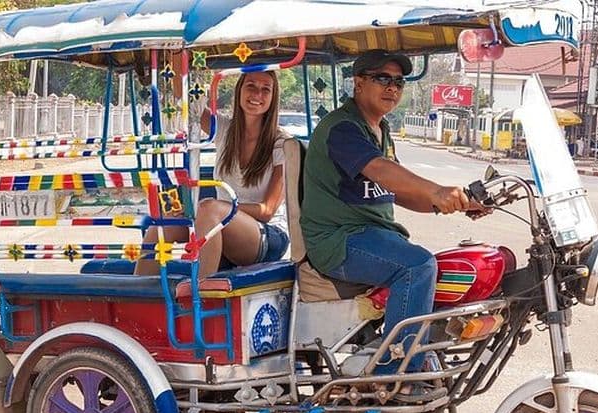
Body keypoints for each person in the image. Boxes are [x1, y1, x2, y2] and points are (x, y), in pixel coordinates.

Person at [300, 49, 476, 378]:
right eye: (382, 78)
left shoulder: (380, 131)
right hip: (339, 240)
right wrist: (437, 190)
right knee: (417, 265)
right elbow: (379, 170)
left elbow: (397, 190)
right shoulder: (343, 128)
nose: (392, 87)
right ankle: (396, 370)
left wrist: (451, 203)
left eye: (398, 81)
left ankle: (421, 352)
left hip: (370, 236)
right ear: (358, 83)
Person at [136, 71, 293, 278]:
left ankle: (200, 294)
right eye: (251, 86)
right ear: (239, 91)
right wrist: (176, 57)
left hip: (266, 235)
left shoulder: (282, 143)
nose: (257, 95)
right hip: (219, 223)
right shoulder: (226, 130)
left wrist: (215, 210)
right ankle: (139, 297)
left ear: (273, 98)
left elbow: (267, 211)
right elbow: (188, 102)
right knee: (161, 226)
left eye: (266, 90)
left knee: (209, 209)